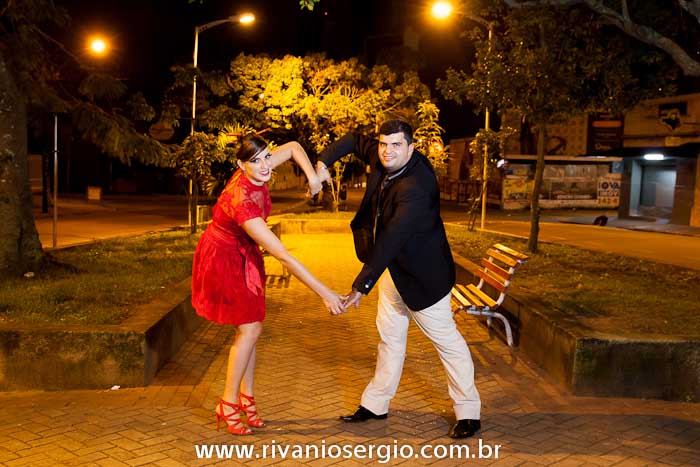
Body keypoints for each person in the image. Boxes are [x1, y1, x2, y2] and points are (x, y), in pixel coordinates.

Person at [316, 119, 481, 439]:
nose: (387, 151)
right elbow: (352, 140)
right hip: (394, 271)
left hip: (425, 278)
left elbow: (392, 237)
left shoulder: (416, 187)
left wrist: (361, 286)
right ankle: (376, 404)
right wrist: (323, 163)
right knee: (389, 339)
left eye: (396, 145)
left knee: (448, 344)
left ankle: (469, 412)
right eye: (383, 144)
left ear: (411, 148)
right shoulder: (384, 156)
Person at [192, 134, 346, 436]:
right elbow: (284, 256)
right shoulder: (243, 203)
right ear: (241, 165)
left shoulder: (258, 168)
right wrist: (325, 293)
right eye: (256, 161)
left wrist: (313, 177)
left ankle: (245, 399)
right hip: (224, 258)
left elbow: (293, 148)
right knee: (249, 329)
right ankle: (228, 403)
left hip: (242, 251)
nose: (265, 166)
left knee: (250, 328)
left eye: (266, 157)